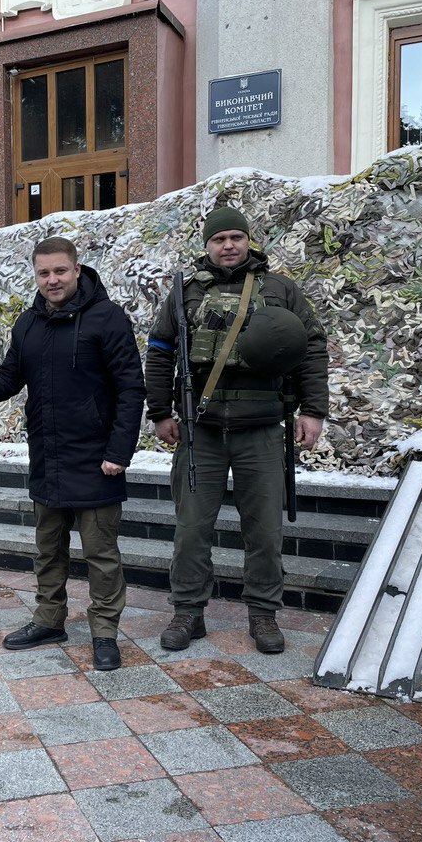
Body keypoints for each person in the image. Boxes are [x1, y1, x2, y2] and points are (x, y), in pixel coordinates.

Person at [0, 237, 145, 671]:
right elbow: (8, 379)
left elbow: (132, 388)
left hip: (97, 460)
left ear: (77, 270)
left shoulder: (108, 319)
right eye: (44, 273)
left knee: (101, 554)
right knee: (48, 550)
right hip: (48, 455)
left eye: (60, 271)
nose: (52, 280)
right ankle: (49, 619)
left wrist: (119, 451)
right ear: (35, 275)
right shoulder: (28, 324)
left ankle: (104, 631)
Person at [145, 205, 328, 654]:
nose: (228, 246)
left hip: (262, 429)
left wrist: (314, 410)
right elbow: (158, 351)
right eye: (219, 239)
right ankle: (188, 611)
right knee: (191, 529)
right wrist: (160, 411)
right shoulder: (184, 294)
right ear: (206, 245)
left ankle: (263, 614)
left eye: (236, 237)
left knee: (264, 530)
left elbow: (312, 348)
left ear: (249, 240)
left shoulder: (281, 289)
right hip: (199, 430)